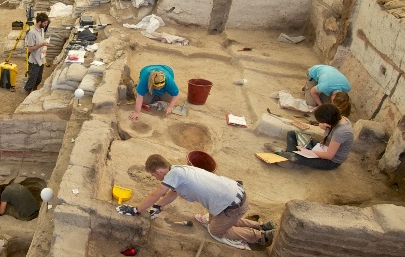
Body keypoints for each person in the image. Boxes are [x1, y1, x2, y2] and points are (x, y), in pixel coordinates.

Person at [117, 155, 276, 247]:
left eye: (154, 176)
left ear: (159, 171)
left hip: (232, 205)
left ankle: (261, 236)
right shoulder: (179, 170)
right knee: (217, 221)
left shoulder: (172, 176)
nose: (156, 179)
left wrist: (136, 210)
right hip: (235, 196)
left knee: (215, 231)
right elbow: (174, 193)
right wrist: (158, 206)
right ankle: (261, 225)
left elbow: (155, 195)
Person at [267, 103, 353, 170]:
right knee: (292, 134)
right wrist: (325, 127)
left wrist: (309, 152)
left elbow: (329, 156)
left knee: (294, 157)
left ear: (328, 121)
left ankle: (284, 154)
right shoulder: (339, 118)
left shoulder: (341, 132)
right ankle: (290, 157)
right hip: (323, 148)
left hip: (330, 162)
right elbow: (326, 140)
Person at [24, 12, 50, 94]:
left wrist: (44, 46)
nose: (46, 25)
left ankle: (34, 91)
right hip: (34, 60)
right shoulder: (32, 33)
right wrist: (41, 45)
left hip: (41, 58)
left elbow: (41, 42)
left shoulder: (41, 30)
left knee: (39, 78)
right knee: (32, 79)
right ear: (39, 22)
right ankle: (28, 92)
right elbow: (30, 49)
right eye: (45, 23)